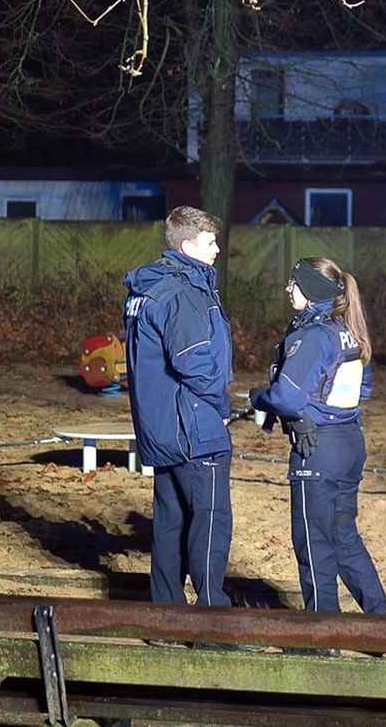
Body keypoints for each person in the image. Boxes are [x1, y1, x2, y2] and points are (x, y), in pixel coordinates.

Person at [250, 257, 386, 615]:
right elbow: (364, 390)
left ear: (311, 289)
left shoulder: (313, 335)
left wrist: (259, 398)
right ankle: (381, 623)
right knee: (344, 538)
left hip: (318, 450)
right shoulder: (350, 331)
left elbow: (287, 397)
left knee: (313, 543)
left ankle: (324, 633)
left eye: (293, 282)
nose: (288, 288)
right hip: (349, 443)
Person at [124, 205, 236, 608]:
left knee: (170, 524)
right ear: (187, 246)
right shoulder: (182, 293)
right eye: (210, 242)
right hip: (195, 429)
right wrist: (221, 403)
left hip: (163, 428)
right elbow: (193, 360)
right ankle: (212, 618)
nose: (218, 249)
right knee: (211, 523)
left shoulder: (148, 290)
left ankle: (167, 615)